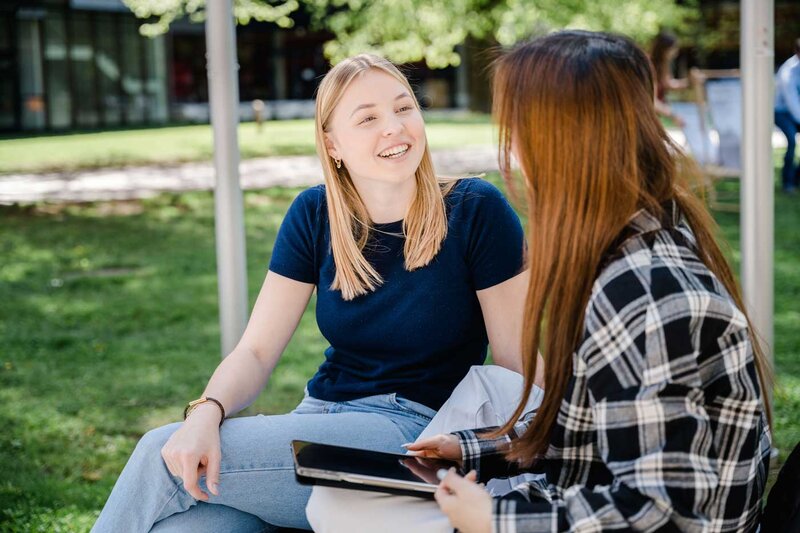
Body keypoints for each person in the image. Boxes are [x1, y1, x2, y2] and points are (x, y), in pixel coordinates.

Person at [307, 31, 772, 533]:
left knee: (342, 512)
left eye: (519, 131)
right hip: (580, 498)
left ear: (565, 144)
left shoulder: (645, 292)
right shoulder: (629, 250)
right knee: (337, 508)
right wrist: (476, 448)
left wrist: (494, 519)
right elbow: (598, 430)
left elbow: (660, 515)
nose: (514, 154)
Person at [91, 54, 529, 532]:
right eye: (368, 118)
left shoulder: (475, 209)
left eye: (404, 108)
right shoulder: (314, 213)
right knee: (185, 527)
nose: (395, 127)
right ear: (332, 143)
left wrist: (544, 450)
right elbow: (256, 351)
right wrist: (206, 412)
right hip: (318, 415)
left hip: (413, 434)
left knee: (158, 455)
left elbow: (517, 363)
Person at [649, 30, 698, 128]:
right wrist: (673, 115)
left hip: (654, 117)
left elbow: (668, 84)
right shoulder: (650, 67)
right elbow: (652, 102)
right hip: (646, 118)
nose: (676, 52)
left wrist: (690, 82)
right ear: (664, 50)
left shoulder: (662, 64)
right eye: (674, 48)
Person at [775, 38, 800, 194]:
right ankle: (787, 182)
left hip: (796, 112)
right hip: (781, 112)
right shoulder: (787, 71)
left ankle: (796, 177)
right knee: (791, 141)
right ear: (796, 52)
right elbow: (792, 101)